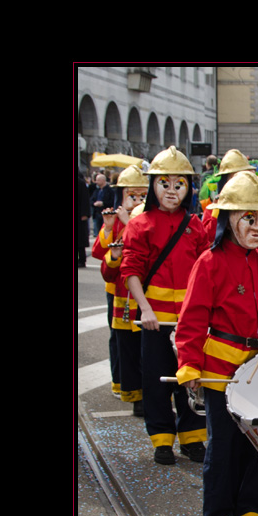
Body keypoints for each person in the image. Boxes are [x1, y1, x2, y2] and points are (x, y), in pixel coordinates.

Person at [175, 171, 258, 516]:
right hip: (221, 370)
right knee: (222, 448)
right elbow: (191, 320)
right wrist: (189, 365)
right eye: (250, 219)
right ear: (228, 219)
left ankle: (249, 514)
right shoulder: (208, 262)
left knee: (255, 447)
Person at [120, 146, 209, 465]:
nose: (172, 191)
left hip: (189, 318)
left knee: (190, 377)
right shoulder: (140, 223)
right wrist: (145, 310)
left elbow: (205, 270)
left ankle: (192, 438)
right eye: (165, 183)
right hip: (154, 316)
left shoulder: (195, 224)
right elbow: (130, 270)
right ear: (154, 185)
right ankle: (161, 439)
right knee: (156, 379)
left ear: (188, 188)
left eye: (179, 184)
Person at [92, 163, 148, 412]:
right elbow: (98, 253)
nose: (137, 200)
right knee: (120, 341)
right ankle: (122, 383)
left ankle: (143, 389)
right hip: (119, 292)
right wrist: (108, 227)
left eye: (142, 195)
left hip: (145, 294)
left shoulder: (147, 218)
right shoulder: (115, 218)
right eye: (132, 195)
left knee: (144, 346)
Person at [77, 170, 91, 267]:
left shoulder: (80, 183)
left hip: (79, 216)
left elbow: (85, 200)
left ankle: (82, 260)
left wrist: (85, 214)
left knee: (80, 240)